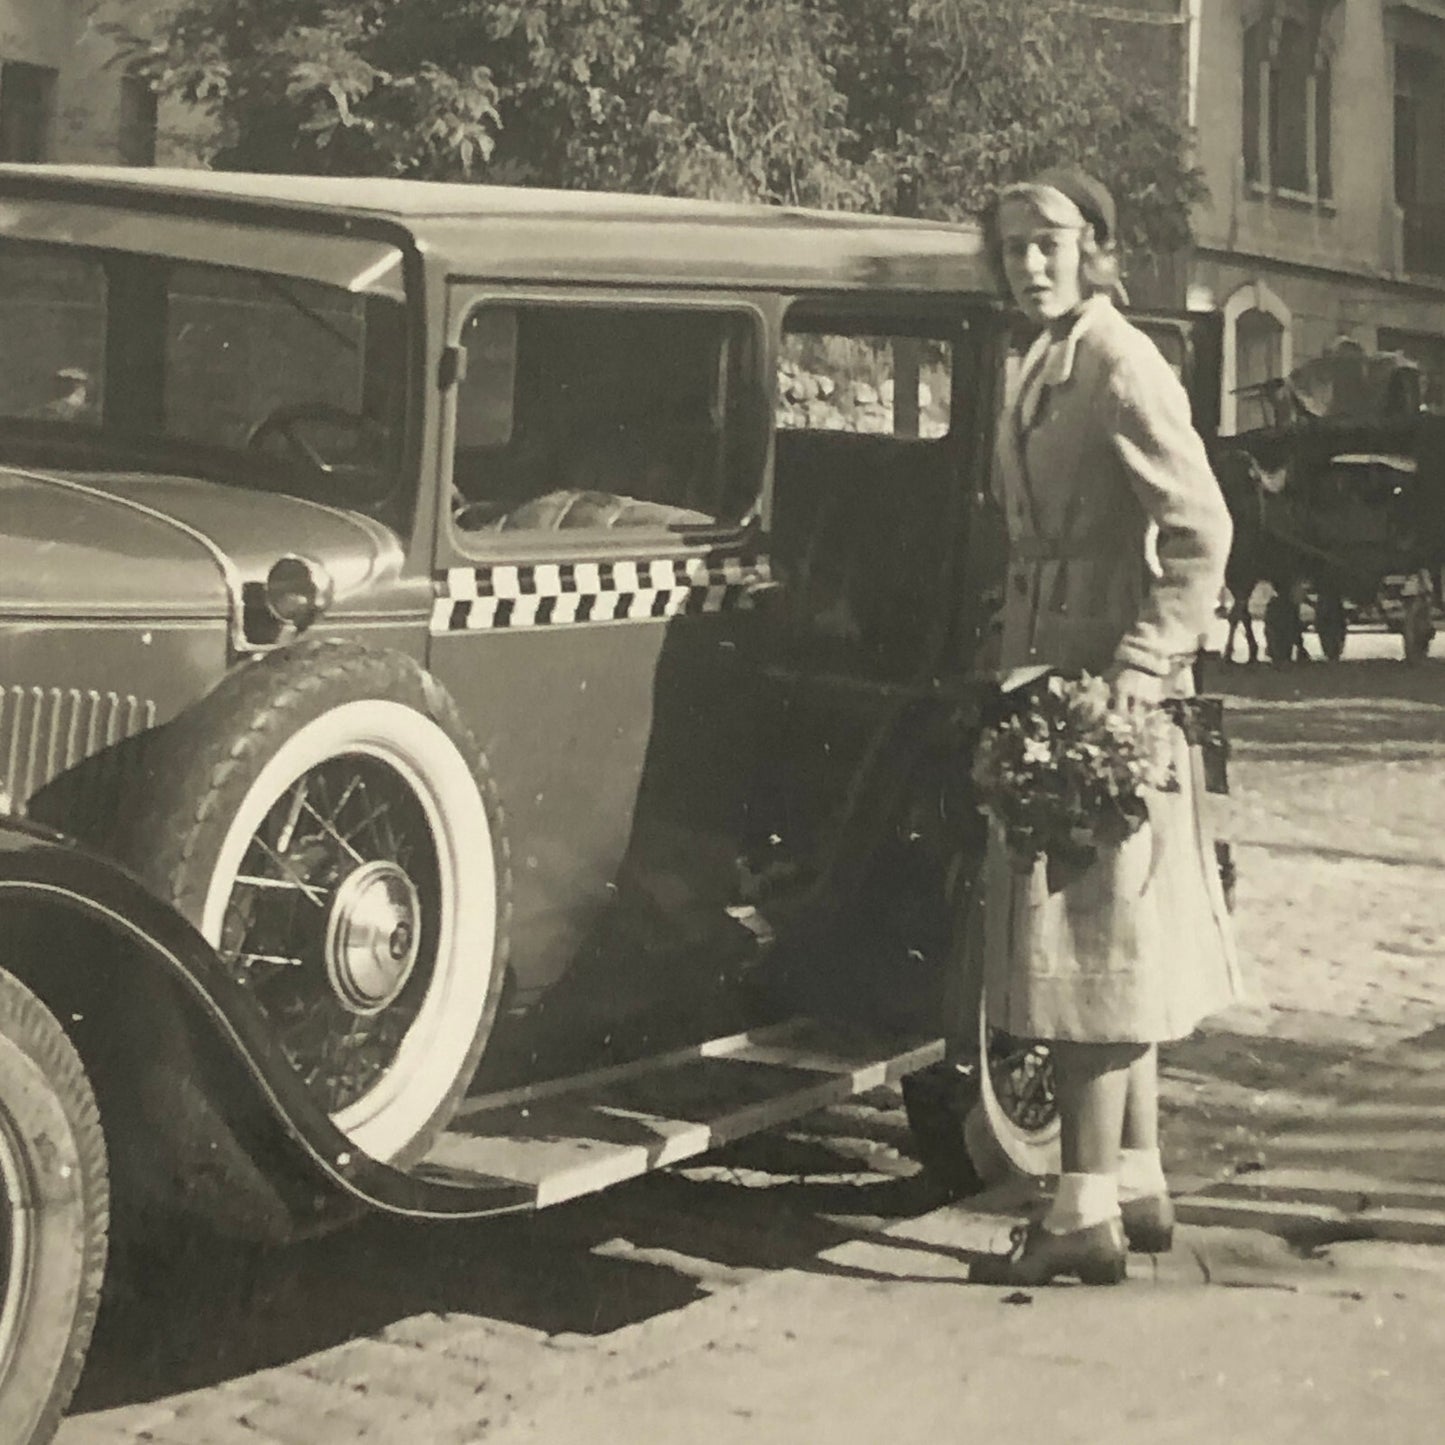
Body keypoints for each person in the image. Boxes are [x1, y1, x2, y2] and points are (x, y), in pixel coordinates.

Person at [971, 167, 1245, 1286]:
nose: (1027, 263)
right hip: (1046, 676)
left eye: (1048, 242)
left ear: (1093, 246)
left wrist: (1139, 667)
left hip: (1099, 697)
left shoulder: (1120, 361)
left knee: (1084, 944)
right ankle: (1133, 1182)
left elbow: (1201, 529)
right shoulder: (1043, 359)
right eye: (1009, 246)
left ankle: (1076, 1212)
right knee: (1104, 937)